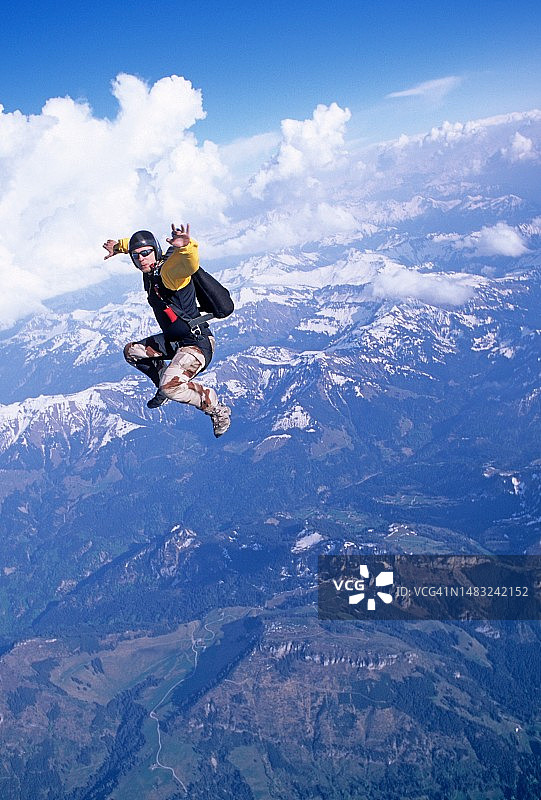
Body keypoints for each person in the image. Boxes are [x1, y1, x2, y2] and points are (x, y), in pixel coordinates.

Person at [103, 223, 231, 437]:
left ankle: (216, 408)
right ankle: (163, 380)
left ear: (156, 251)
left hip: (196, 344)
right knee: (132, 352)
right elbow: (139, 247)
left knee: (170, 388)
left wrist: (187, 247)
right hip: (174, 341)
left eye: (146, 253)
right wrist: (119, 247)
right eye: (136, 256)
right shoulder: (150, 271)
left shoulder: (169, 273)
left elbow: (189, 264)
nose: (141, 258)